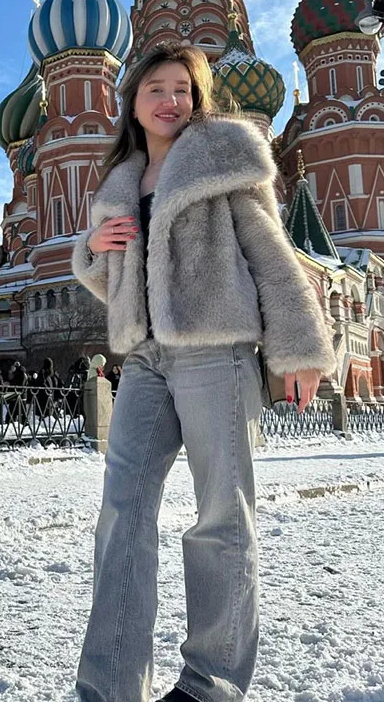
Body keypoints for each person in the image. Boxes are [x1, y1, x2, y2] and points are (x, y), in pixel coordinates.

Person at [71, 44, 335, 702]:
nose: (171, 100)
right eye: (156, 88)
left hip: (217, 351)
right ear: (132, 102)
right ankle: (108, 686)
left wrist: (302, 347)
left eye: (183, 89)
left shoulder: (223, 157)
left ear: (198, 99)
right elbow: (119, 283)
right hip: (145, 358)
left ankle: (210, 683)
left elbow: (271, 254)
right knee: (122, 512)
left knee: (221, 515)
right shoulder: (122, 180)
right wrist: (90, 250)